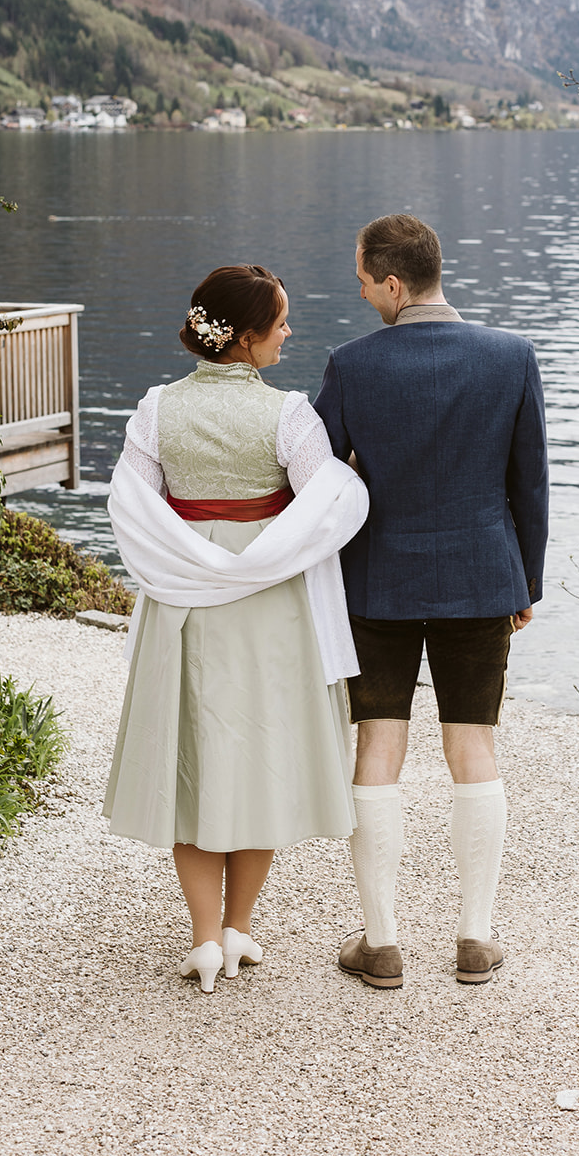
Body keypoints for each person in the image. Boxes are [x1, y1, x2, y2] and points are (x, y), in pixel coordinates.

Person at [105, 264, 368, 993]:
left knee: (190, 761)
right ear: (246, 338)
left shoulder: (155, 408)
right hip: (267, 602)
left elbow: (132, 506)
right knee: (258, 758)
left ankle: (201, 939)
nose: (288, 333)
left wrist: (187, 552)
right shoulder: (290, 415)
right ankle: (238, 928)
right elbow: (325, 504)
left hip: (183, 600)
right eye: (280, 323)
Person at [313, 214, 549, 988]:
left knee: (377, 746)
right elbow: (529, 483)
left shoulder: (351, 365)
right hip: (481, 577)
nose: (360, 294)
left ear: (392, 282)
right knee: (472, 746)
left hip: (376, 582)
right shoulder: (511, 356)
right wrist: (525, 581)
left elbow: (319, 480)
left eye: (362, 281)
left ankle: (381, 945)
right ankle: (474, 940)